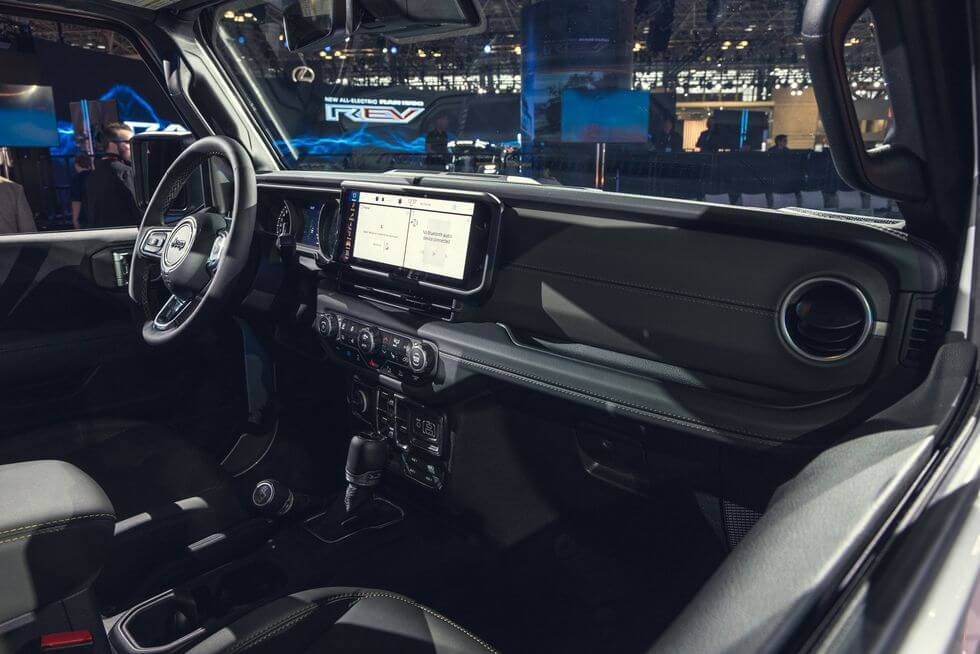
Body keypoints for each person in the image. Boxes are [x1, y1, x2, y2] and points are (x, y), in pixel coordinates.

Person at [86, 122, 141, 229]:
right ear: (112, 145)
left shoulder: (92, 175)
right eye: (129, 142)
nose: (132, 147)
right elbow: (138, 210)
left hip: (100, 234)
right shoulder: (125, 172)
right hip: (126, 233)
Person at [70, 154, 92, 230]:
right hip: (98, 217)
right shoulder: (96, 176)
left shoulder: (76, 180)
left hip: (85, 218)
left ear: (76, 165)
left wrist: (75, 220)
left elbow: (76, 201)